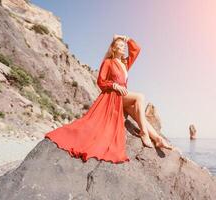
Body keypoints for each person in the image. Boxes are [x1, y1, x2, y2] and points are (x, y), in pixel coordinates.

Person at [45, 34, 173, 164]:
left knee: (138, 113)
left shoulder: (125, 63)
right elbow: (101, 81)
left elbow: (137, 49)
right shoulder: (108, 62)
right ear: (114, 49)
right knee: (140, 97)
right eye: (120, 46)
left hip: (123, 98)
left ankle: (157, 138)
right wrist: (114, 85)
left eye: (123, 46)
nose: (123, 48)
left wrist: (125, 38)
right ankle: (144, 133)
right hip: (113, 96)